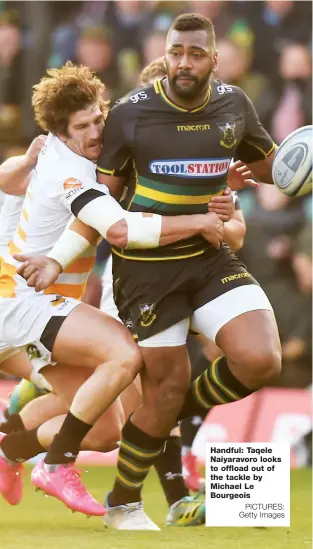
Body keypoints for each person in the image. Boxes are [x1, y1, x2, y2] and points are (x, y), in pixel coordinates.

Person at [0, 61, 232, 525]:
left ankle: (10, 450)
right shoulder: (72, 173)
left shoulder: (74, 160)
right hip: (22, 303)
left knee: (105, 429)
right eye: (81, 126)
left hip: (34, 307)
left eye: (97, 120)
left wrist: (25, 161)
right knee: (125, 357)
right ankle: (57, 464)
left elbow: (8, 179)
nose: (93, 131)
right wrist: (199, 222)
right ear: (61, 134)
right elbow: (122, 231)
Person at [93, 13, 281, 530]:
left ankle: (174, 415)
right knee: (164, 387)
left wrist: (294, 168)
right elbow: (97, 195)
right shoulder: (130, 114)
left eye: (195, 54)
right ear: (166, 52)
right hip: (146, 271)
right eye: (176, 51)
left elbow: (272, 169)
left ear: (214, 60)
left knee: (262, 359)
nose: (183, 62)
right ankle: (123, 502)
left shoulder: (235, 105)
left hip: (208, 257)